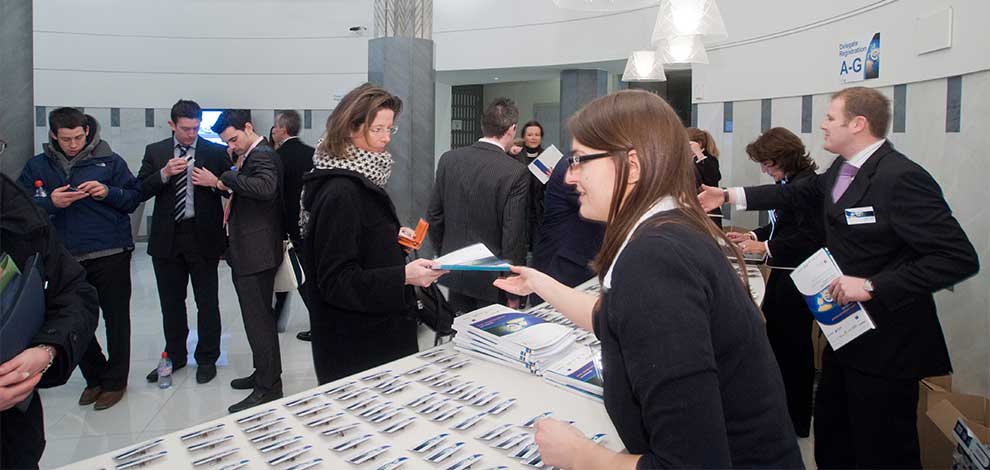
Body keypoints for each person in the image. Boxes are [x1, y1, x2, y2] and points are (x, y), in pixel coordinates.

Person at [495, 90, 803, 468]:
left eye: (580, 161)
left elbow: (689, 464)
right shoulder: (668, 231)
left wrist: (580, 455)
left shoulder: (654, 258)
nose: (571, 176)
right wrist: (538, 282)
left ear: (633, 166)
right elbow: (611, 319)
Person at [700, 86, 979, 467]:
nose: (823, 125)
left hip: (889, 345)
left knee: (882, 451)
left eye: (831, 118)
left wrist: (871, 285)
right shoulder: (841, 171)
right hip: (845, 333)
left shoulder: (900, 177)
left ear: (858, 123)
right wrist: (728, 196)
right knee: (833, 440)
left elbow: (957, 258)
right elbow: (796, 194)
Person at [299, 83, 446, 384]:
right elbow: (336, 281)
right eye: (377, 129)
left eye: (390, 129)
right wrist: (403, 275)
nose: (386, 138)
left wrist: (391, 242)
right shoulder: (341, 191)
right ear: (349, 128)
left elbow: (357, 244)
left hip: (372, 335)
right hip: (359, 346)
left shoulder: (359, 178)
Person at [18, 108, 141, 411]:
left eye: (77, 137)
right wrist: (50, 202)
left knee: (116, 319)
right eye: (66, 139)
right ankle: (95, 376)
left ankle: (116, 382)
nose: (73, 144)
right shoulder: (38, 165)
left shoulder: (110, 161)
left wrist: (107, 192)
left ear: (87, 131)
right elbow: (20, 207)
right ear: (53, 136)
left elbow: (132, 198)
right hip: (65, 258)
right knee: (74, 320)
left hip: (110, 252)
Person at [0, 142, 99, 469]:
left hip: (16, 440)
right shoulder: (36, 169)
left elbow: (75, 293)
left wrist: (47, 350)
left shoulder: (12, 208)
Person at [726, 127, 824, 438]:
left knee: (793, 348)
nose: (765, 170)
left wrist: (765, 247)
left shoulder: (807, 186)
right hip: (784, 273)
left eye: (767, 164)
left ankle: (796, 419)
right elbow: (781, 224)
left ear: (784, 157)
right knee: (779, 341)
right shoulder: (790, 183)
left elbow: (810, 237)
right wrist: (753, 235)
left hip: (799, 276)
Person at [197, 109, 285, 413]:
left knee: (258, 322)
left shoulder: (262, 155)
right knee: (258, 320)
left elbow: (265, 188)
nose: (231, 146)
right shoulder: (252, 154)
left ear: (248, 127)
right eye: (227, 143)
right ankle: (265, 373)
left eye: (234, 139)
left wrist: (227, 177)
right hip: (250, 249)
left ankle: (269, 387)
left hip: (256, 252)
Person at [137, 99, 230, 385]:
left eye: (195, 128)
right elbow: (140, 190)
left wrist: (215, 182)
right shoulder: (156, 152)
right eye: (186, 128)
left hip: (202, 236)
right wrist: (164, 174)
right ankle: (175, 356)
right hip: (167, 238)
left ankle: (207, 357)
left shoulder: (215, 152)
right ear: (172, 125)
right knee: (171, 303)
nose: (191, 134)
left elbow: (231, 189)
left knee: (207, 301)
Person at [427, 98, 529, 313]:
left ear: (483, 125)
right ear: (512, 129)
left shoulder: (449, 159)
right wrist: (512, 285)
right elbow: (513, 234)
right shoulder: (515, 171)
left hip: (455, 268)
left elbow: (435, 215)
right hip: (492, 277)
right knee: (491, 332)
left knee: (458, 327)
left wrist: (445, 254)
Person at [270, 110, 316, 342]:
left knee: (296, 273)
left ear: (283, 129)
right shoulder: (312, 153)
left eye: (275, 127)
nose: (273, 131)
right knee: (298, 271)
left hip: (286, 225)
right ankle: (276, 317)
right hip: (309, 223)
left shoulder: (277, 157)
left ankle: (315, 322)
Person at [532, 156, 604, 289]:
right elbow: (605, 204)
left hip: (578, 260)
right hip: (564, 265)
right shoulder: (573, 168)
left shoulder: (590, 164)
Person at [515, 120, 547, 254]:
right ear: (523, 137)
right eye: (530, 135)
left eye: (537, 135)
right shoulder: (515, 155)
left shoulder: (547, 157)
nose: (534, 138)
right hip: (519, 208)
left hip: (539, 210)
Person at [687, 127, 722, 227]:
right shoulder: (687, 160)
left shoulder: (709, 160)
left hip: (708, 210)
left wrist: (699, 154)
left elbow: (713, 178)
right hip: (691, 209)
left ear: (698, 143)